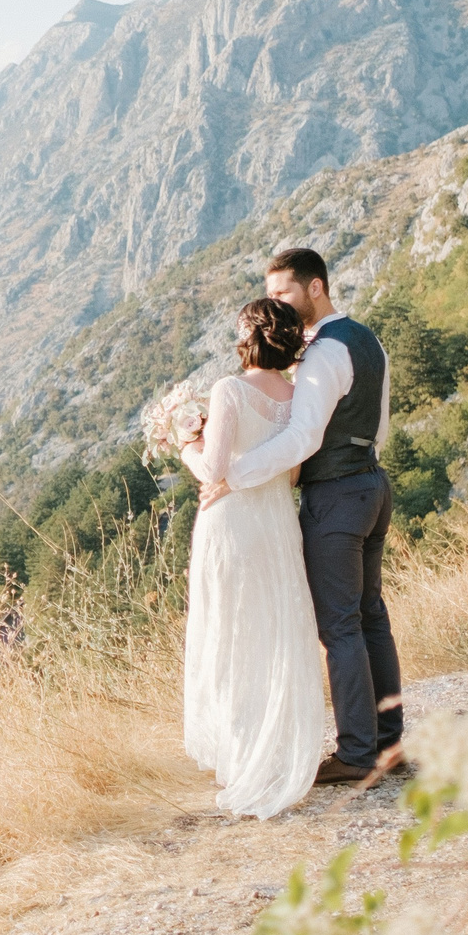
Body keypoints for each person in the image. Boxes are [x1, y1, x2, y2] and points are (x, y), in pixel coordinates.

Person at [201, 247, 401, 787]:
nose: (276, 304)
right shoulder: (365, 338)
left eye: (283, 293)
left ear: (315, 288)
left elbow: (303, 437)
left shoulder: (323, 353)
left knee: (340, 626)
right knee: (369, 616)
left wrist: (233, 475)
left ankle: (359, 754)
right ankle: (389, 742)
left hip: (336, 495)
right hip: (371, 484)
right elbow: (379, 423)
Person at [175, 296, 332, 817]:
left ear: (248, 339)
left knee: (230, 634)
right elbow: (289, 471)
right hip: (277, 524)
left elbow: (213, 470)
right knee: (271, 634)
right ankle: (272, 752)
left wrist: (182, 444)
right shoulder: (295, 398)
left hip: (233, 524)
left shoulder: (229, 389)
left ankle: (243, 759)